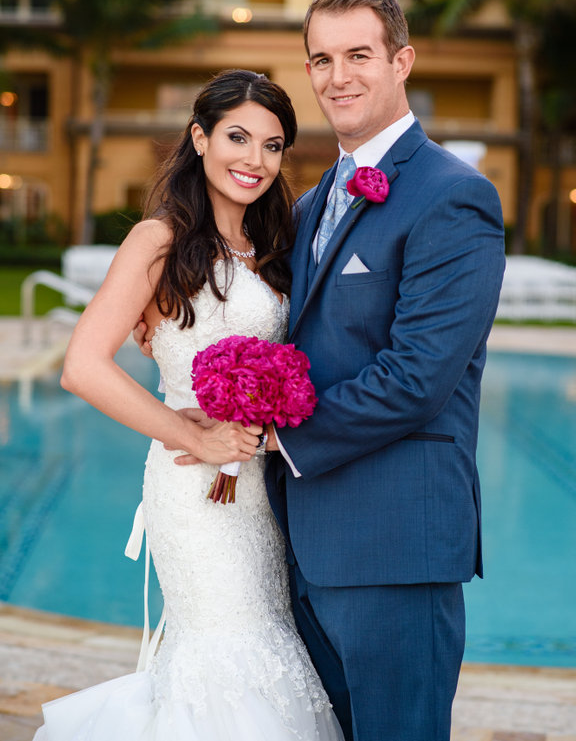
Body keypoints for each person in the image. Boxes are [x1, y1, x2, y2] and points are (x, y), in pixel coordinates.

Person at [155, 0, 506, 741]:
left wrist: (267, 435)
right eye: (321, 59)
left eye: (359, 55)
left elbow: (417, 378)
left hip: (395, 548)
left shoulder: (454, 195)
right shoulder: (310, 204)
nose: (337, 76)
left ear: (402, 61)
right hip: (299, 549)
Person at [33, 69, 345, 741]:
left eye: (272, 145)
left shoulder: (277, 247)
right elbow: (82, 366)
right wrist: (192, 434)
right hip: (194, 489)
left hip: (265, 486)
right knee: (225, 649)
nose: (255, 159)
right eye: (237, 137)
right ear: (200, 138)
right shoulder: (159, 239)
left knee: (270, 643)